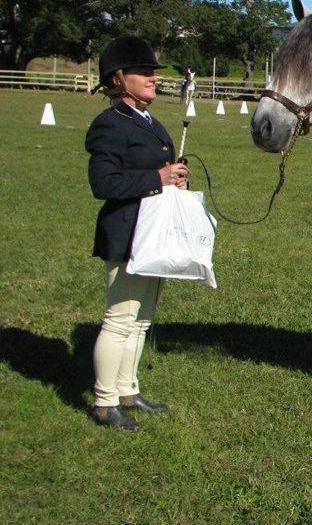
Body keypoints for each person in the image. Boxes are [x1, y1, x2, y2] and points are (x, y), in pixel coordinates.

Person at [85, 35, 190, 430]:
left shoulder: (150, 121)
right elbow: (103, 183)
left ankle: (128, 390)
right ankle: (104, 400)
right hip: (127, 232)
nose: (152, 77)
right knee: (119, 319)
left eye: (153, 72)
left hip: (153, 233)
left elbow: (153, 172)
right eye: (143, 72)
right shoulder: (109, 124)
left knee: (141, 320)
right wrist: (156, 177)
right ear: (118, 78)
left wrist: (173, 177)